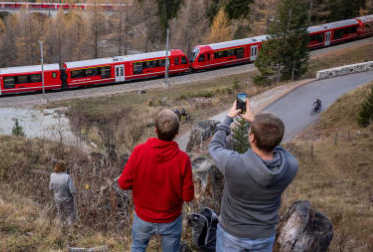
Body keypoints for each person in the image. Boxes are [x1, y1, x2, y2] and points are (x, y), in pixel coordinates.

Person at [208, 99, 298, 252]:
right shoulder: (289, 166)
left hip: (231, 234)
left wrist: (229, 117)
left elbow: (214, 146)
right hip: (264, 236)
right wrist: (256, 121)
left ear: (251, 138)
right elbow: (276, 146)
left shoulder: (233, 164)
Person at [118, 109, 195, 252]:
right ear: (177, 133)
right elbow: (188, 196)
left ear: (155, 130)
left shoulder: (139, 151)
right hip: (171, 219)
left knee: (137, 247)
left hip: (143, 217)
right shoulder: (183, 159)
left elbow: (123, 183)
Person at [49, 160, 77, 225]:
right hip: (68, 199)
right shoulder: (67, 177)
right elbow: (72, 191)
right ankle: (70, 227)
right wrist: (75, 191)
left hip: (57, 198)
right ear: (63, 167)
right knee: (71, 213)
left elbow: (50, 188)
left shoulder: (52, 175)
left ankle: (60, 226)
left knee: (60, 212)